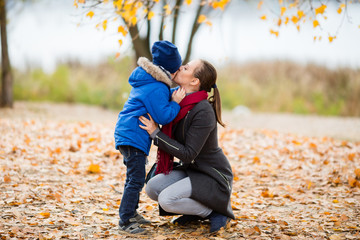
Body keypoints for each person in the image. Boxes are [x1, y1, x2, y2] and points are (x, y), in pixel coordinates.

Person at [139, 59, 235, 233]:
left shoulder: (203, 110)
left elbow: (188, 153)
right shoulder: (179, 102)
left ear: (194, 81)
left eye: (186, 68)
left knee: (167, 200)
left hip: (212, 174)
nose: (180, 68)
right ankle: (197, 211)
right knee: (152, 188)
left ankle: (214, 211)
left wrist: (156, 133)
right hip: (192, 169)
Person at [114, 40, 186, 234]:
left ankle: (131, 212)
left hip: (129, 133)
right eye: (178, 68)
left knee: (134, 177)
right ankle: (126, 219)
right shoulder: (157, 87)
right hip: (133, 136)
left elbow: (158, 99)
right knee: (135, 180)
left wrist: (172, 95)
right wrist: (177, 103)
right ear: (171, 69)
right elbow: (163, 115)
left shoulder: (149, 80)